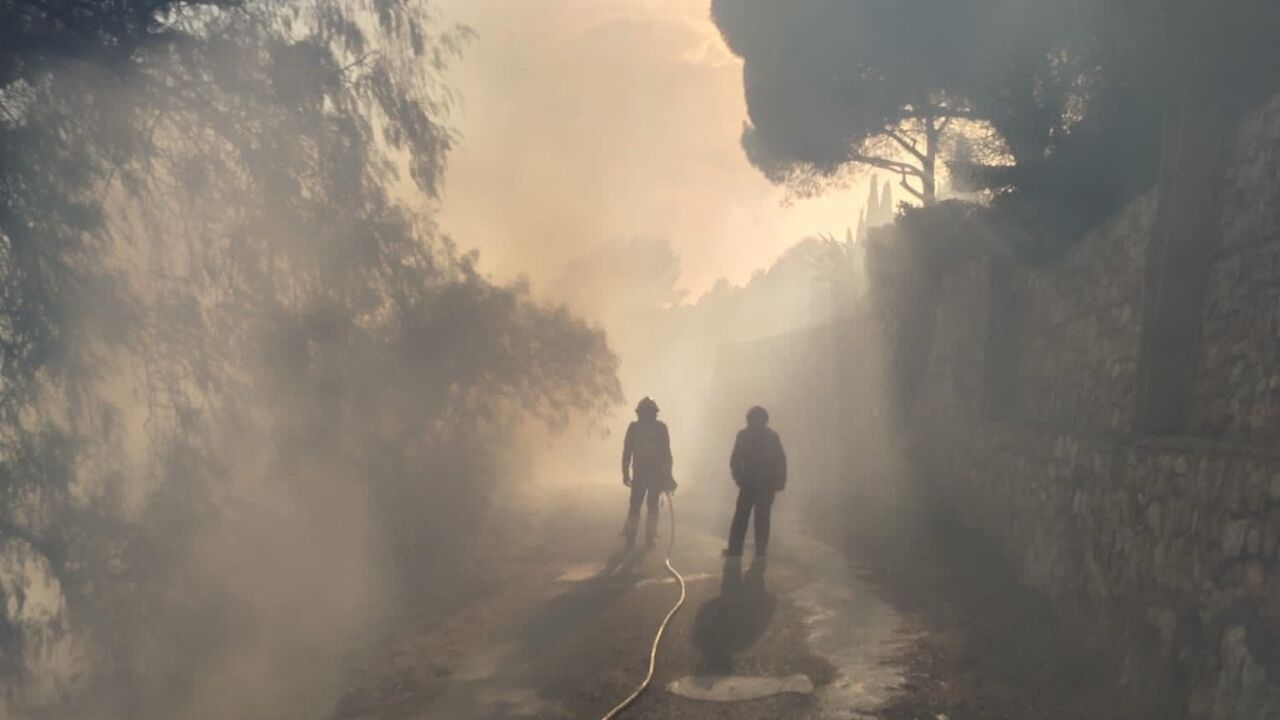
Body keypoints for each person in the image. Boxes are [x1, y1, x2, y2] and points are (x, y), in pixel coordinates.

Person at [725, 405, 786, 557]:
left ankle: (753, 549)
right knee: (748, 517)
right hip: (754, 483)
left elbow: (780, 460)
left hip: (761, 483)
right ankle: (743, 549)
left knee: (756, 517)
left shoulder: (757, 436)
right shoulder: (756, 436)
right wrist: (739, 477)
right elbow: (735, 460)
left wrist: (780, 480)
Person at [621, 396, 674, 548]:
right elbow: (667, 454)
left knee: (636, 505)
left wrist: (625, 472)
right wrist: (668, 474)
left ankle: (631, 537)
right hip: (654, 474)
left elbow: (627, 452)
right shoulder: (660, 428)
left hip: (641, 473)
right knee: (652, 505)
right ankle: (649, 538)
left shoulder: (634, 428)